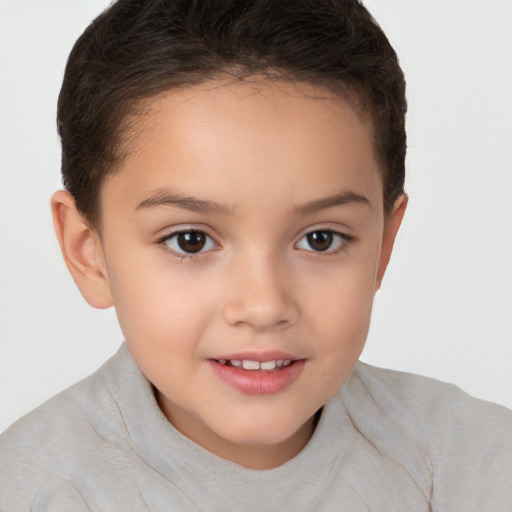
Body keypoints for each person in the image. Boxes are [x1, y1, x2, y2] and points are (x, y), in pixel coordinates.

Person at [0, 1, 510, 510]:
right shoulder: (30, 490)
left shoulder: (473, 467)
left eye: (320, 239)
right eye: (190, 240)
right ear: (89, 253)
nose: (264, 305)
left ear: (383, 245)